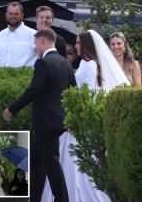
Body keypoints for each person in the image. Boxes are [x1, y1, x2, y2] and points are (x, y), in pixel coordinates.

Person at [41, 30, 130, 202]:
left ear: (87, 44)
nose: (75, 46)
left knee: (77, 159)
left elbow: (88, 94)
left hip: (82, 120)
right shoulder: (85, 63)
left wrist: (77, 120)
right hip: (78, 116)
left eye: (79, 43)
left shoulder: (90, 64)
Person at [3, 28, 77, 202]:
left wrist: (11, 109)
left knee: (51, 165)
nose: (35, 47)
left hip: (46, 122)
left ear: (42, 41)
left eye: (35, 43)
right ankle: (34, 198)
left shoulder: (43, 62)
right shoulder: (66, 63)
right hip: (57, 122)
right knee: (37, 162)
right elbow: (74, 91)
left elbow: (33, 90)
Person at [0, 2, 38, 67]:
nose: (13, 16)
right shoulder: (0, 35)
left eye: (16, 14)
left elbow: (42, 57)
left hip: (25, 76)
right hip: (1, 76)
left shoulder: (33, 35)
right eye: (10, 13)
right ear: (6, 15)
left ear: (22, 15)